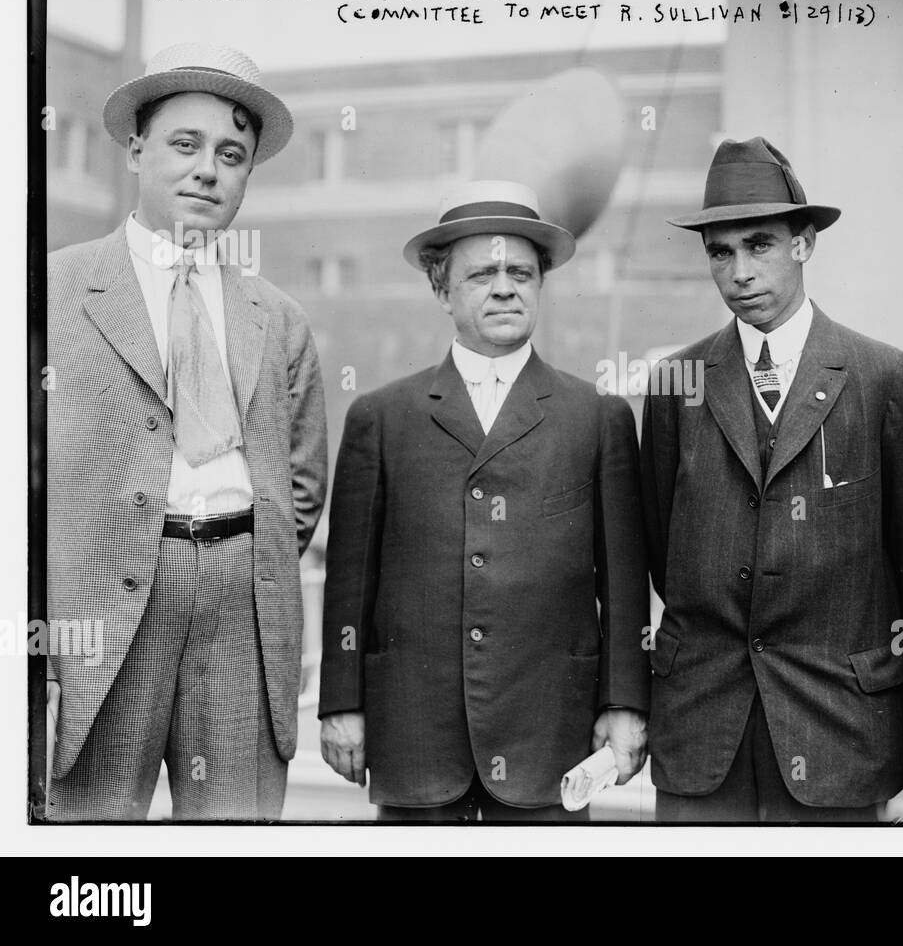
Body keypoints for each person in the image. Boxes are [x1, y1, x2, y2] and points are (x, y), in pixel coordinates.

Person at [45, 43, 328, 820]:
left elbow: (301, 485)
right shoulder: (52, 290)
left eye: (232, 155)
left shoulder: (276, 317)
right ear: (136, 148)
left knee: (233, 825)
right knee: (89, 828)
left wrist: (236, 551)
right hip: (99, 607)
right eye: (185, 144)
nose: (208, 170)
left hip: (242, 604)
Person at [318, 181, 650, 821]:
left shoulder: (596, 417)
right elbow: (349, 581)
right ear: (441, 290)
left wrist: (625, 703)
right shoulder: (381, 418)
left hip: (550, 735)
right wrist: (341, 703)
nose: (505, 287)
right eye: (482, 274)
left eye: (521, 272)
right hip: (416, 734)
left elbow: (625, 582)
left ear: (542, 285)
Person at [640, 137, 903, 822]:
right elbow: (663, 552)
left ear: (804, 244)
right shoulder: (673, 385)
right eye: (720, 252)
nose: (740, 271)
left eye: (760, 244)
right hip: (704, 740)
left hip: (843, 733)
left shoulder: (884, 379)